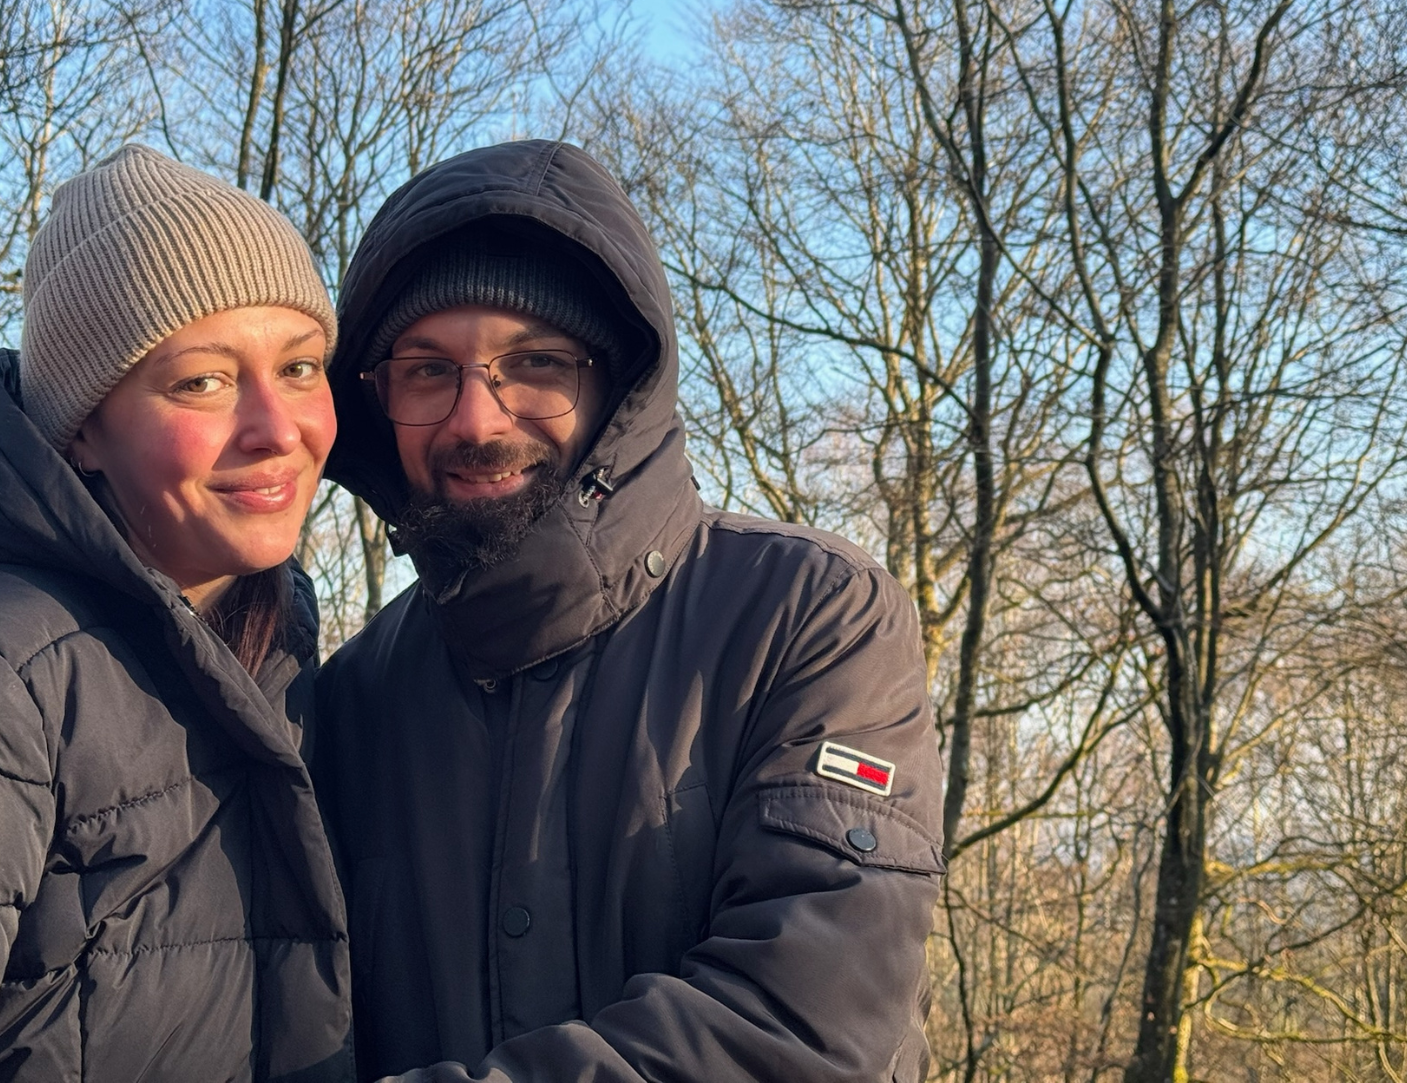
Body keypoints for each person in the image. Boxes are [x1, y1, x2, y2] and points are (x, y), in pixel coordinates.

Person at [316, 139, 945, 1082]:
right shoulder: (351, 700)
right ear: (376, 401)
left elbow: (807, 1032)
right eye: (427, 370)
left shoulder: (809, 617)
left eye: (533, 361)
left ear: (616, 383)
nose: (476, 420)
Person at [0, 145, 353, 1081]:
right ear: (81, 426)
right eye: (201, 380)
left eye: (301, 367)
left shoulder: (281, 647)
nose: (277, 428)